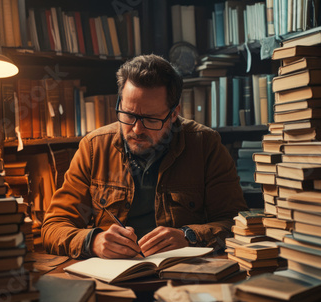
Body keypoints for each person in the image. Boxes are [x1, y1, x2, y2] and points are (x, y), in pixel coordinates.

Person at [42, 54, 248, 259]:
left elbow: (237, 224)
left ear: (174, 114)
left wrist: (189, 237)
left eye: (150, 119)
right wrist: (92, 241)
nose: (136, 129)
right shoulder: (94, 148)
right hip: (113, 279)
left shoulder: (206, 145)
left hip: (183, 278)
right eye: (129, 114)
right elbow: (53, 227)